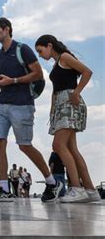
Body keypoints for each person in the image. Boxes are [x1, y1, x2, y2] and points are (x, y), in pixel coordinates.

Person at [0, 18, 62, 202]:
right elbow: (1, 83)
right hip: (2, 103)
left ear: (6, 30)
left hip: (23, 104)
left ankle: (52, 182)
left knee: (24, 146)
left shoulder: (23, 50)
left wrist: (12, 80)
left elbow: (38, 74)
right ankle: (4, 189)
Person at [35, 34, 100, 202]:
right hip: (61, 106)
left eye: (40, 50)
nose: (40, 55)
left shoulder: (64, 57)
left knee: (58, 145)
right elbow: (56, 89)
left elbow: (87, 72)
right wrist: (52, 109)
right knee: (72, 149)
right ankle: (91, 190)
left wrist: (77, 92)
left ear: (49, 46)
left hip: (69, 103)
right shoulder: (58, 63)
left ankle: (76, 189)